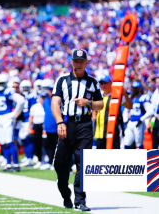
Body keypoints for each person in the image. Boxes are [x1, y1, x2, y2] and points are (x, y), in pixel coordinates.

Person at [51, 49, 104, 212]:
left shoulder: (93, 82)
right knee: (60, 163)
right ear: (71, 62)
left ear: (86, 63)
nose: (78, 64)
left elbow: (100, 105)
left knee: (83, 162)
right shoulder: (62, 80)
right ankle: (66, 195)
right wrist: (60, 122)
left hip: (85, 125)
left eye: (81, 61)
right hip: (67, 124)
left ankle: (80, 200)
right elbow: (55, 102)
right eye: (76, 61)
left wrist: (88, 103)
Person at [0, 74, 24, 172]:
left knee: (9, 142)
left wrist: (13, 113)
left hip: (7, 118)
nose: (1, 85)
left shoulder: (8, 91)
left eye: (2, 83)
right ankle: (7, 164)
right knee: (3, 142)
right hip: (0, 118)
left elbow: (21, 100)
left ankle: (15, 164)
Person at [93, 75, 132, 149]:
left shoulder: (117, 96)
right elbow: (94, 111)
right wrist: (94, 116)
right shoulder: (99, 96)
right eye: (101, 83)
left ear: (111, 83)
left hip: (113, 133)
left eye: (105, 83)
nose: (103, 85)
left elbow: (129, 106)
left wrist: (125, 95)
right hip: (100, 133)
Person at [123, 81, 153, 149]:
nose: (133, 90)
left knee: (139, 145)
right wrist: (125, 120)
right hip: (130, 123)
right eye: (133, 88)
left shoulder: (143, 98)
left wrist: (141, 119)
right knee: (126, 143)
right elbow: (125, 110)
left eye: (135, 88)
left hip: (139, 124)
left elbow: (150, 111)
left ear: (139, 89)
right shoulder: (131, 98)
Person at [19, 80, 38, 167]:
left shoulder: (32, 97)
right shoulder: (20, 96)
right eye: (24, 88)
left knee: (28, 139)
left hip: (29, 120)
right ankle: (27, 157)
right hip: (22, 120)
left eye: (27, 88)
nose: (25, 90)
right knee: (24, 140)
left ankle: (30, 158)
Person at [40, 79, 57, 170]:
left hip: (56, 127)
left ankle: (56, 162)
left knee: (57, 146)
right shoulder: (45, 100)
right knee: (49, 146)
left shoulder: (58, 99)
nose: (50, 91)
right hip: (48, 127)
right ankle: (50, 161)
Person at [28, 93, 46, 169]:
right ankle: (39, 160)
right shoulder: (35, 106)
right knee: (37, 143)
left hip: (45, 126)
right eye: (42, 98)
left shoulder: (47, 105)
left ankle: (46, 160)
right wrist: (29, 128)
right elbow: (31, 118)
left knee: (46, 143)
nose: (43, 99)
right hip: (36, 125)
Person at [150, 75, 159, 149]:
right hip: (156, 120)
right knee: (154, 143)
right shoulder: (155, 93)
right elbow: (152, 108)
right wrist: (149, 122)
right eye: (156, 82)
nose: (157, 84)